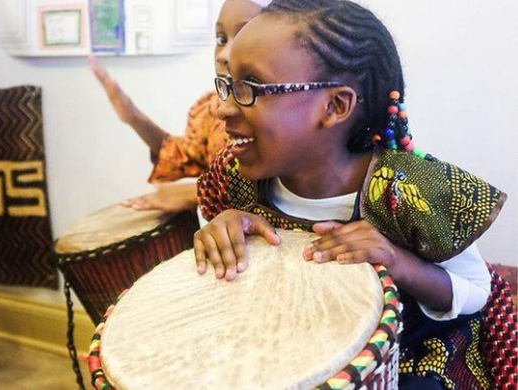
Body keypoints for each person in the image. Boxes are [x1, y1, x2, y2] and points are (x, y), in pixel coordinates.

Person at [193, 1, 510, 389]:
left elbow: (478, 291)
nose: (223, 109)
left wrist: (397, 260)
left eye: (249, 89)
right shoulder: (232, 176)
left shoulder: (407, 189)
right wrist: (218, 229)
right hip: (296, 350)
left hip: (407, 358)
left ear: (335, 106)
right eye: (226, 84)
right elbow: (213, 236)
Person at [89, 0, 267, 212]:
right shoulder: (211, 111)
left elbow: (288, 184)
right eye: (221, 38)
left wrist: (196, 193)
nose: (223, 55)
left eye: (243, 36)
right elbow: (183, 156)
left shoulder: (286, 113)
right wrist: (133, 117)